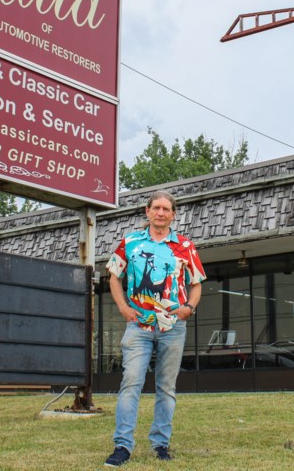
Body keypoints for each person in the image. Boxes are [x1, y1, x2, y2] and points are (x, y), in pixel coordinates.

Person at [103, 191, 206, 467]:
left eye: (166, 209)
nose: (161, 213)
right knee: (131, 383)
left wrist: (189, 308)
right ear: (147, 211)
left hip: (173, 326)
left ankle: (161, 443)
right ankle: (122, 446)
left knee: (166, 388)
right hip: (138, 326)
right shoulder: (131, 242)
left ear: (173, 215)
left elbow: (196, 283)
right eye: (156, 208)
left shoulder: (185, 245)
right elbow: (114, 276)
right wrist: (124, 308)